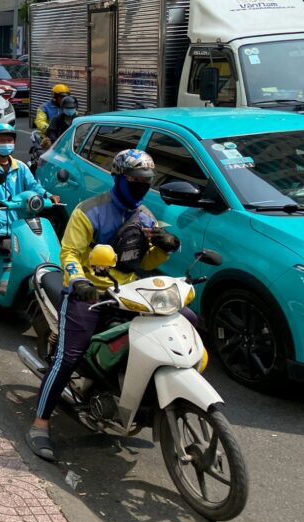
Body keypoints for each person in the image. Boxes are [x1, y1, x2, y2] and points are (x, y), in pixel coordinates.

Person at [26, 149, 183, 462]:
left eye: (146, 180)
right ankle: (39, 424)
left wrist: (165, 248)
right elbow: (69, 253)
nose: (141, 185)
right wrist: (78, 281)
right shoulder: (89, 211)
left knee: (171, 328)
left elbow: (142, 262)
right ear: (118, 178)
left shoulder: (145, 216)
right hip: (88, 294)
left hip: (128, 293)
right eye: (135, 179)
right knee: (69, 357)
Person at [0, 123, 58, 332]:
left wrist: (47, 195)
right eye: (1, 140)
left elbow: (33, 185)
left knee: (39, 255)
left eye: (9, 140)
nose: (6, 144)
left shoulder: (21, 166)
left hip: (19, 223)